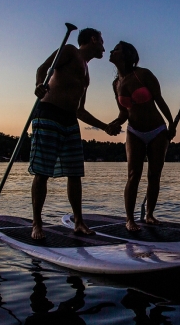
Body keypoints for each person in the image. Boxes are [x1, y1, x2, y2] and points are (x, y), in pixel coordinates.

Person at [30, 28, 119, 240]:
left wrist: (104, 126)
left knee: (75, 173)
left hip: (70, 120)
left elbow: (80, 110)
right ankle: (36, 224)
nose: (104, 48)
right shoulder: (70, 51)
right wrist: (38, 86)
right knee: (42, 172)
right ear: (94, 39)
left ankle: (79, 223)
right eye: (102, 42)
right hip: (48, 113)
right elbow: (43, 68)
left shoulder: (87, 71)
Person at [106, 41, 176, 231]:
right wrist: (114, 123)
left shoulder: (144, 74)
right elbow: (123, 114)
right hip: (134, 132)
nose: (112, 51)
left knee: (154, 175)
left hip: (157, 131)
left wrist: (171, 124)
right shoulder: (116, 84)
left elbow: (160, 100)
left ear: (127, 55)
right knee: (133, 175)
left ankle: (150, 215)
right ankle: (129, 219)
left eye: (117, 49)